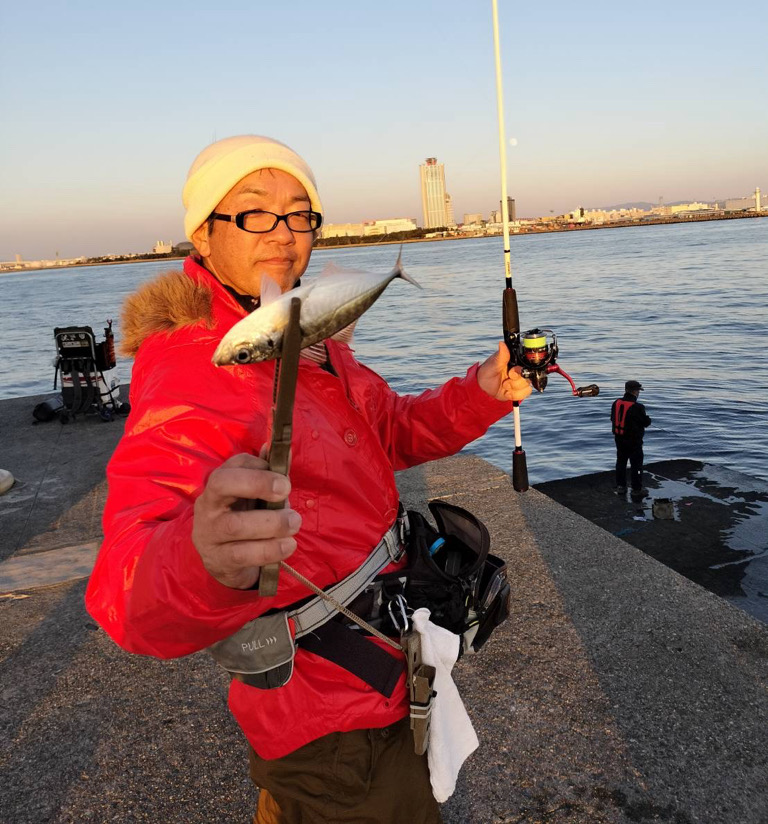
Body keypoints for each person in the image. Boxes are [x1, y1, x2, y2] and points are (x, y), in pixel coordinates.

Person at [85, 134, 532, 824]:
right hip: (328, 716)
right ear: (204, 234)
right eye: (255, 212)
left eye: (301, 213)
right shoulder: (194, 367)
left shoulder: (310, 335)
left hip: (380, 670)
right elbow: (125, 589)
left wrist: (482, 391)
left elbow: (390, 433)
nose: (285, 233)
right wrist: (202, 558)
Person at [610, 380, 652, 498]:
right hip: (634, 441)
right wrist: (648, 419)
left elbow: (612, 418)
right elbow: (645, 422)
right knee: (636, 465)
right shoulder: (638, 407)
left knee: (621, 462)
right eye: (638, 390)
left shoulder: (616, 403)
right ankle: (636, 489)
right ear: (635, 391)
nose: (638, 393)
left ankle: (621, 487)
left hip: (619, 438)